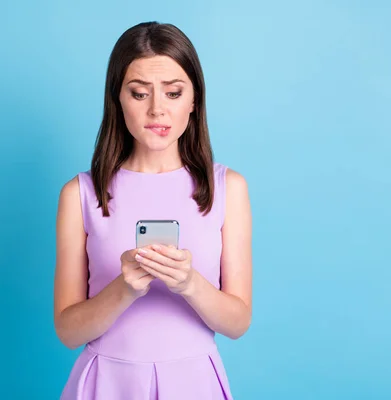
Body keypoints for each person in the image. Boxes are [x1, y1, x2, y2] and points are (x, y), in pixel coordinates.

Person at [54, 21, 252, 400]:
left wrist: (189, 284)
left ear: (194, 100)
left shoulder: (229, 189)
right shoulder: (79, 194)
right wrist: (124, 289)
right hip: (106, 384)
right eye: (140, 93)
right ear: (118, 99)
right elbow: (67, 331)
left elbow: (238, 321)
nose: (157, 110)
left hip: (194, 384)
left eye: (174, 93)